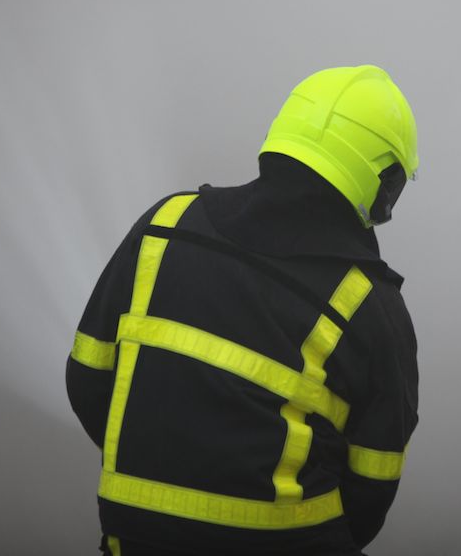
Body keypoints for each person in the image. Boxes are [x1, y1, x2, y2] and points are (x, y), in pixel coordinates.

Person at [66, 65, 419, 556]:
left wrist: (161, 488)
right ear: (383, 182)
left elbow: (87, 381)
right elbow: (372, 489)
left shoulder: (163, 226)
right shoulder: (370, 306)